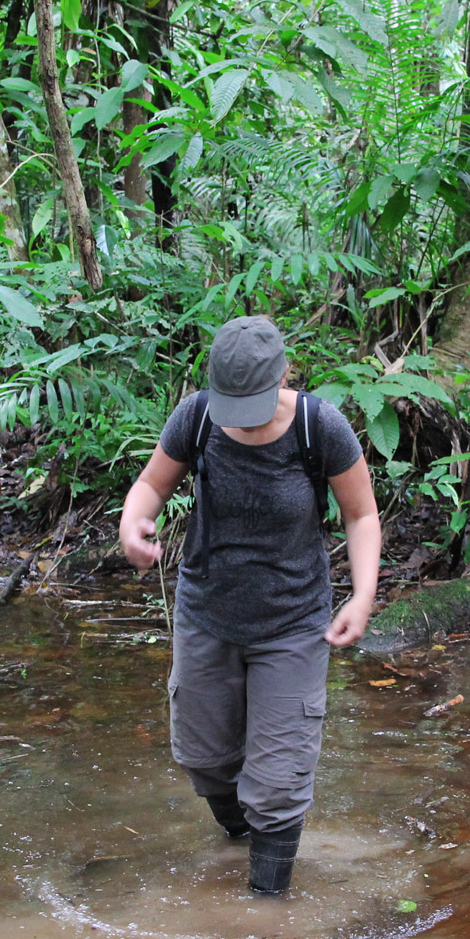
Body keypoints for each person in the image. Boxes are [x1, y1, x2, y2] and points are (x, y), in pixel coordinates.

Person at [119, 316, 382, 896]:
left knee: (278, 782)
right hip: (207, 611)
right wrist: (134, 522)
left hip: (292, 621)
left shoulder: (320, 427)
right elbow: (153, 484)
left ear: (284, 374)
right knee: (204, 757)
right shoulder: (196, 417)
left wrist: (362, 597)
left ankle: (266, 911)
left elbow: (361, 515)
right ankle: (235, 839)